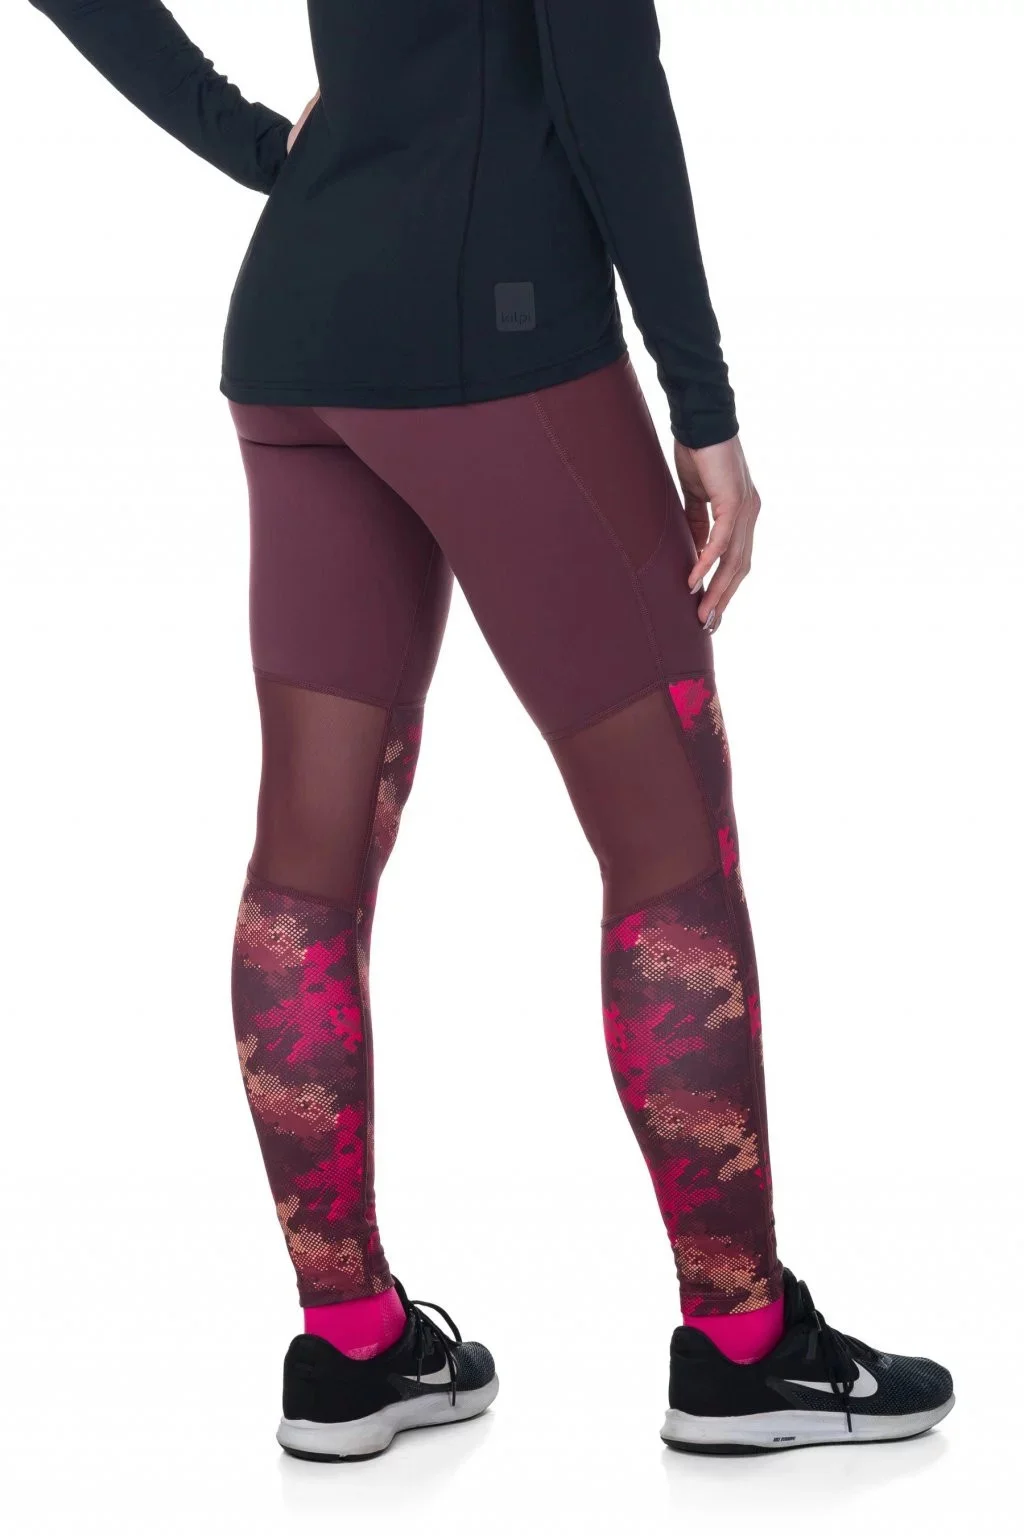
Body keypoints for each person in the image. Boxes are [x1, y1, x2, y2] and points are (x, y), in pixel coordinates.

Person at [28, 0, 953, 1460]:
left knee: (308, 863)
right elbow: (606, 84)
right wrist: (703, 406)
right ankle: (743, 1348)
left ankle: (351, 1348)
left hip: (301, 333)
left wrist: (272, 155)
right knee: (672, 854)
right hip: (499, 343)